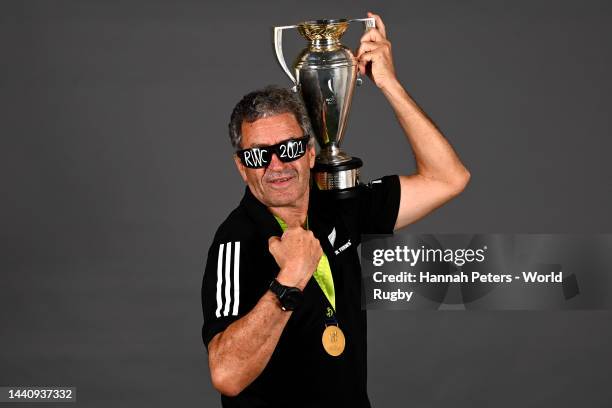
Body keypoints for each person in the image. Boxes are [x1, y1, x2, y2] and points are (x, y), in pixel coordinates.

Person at [201, 12, 470, 407]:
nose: (276, 166)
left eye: (289, 149)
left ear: (310, 153)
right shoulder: (235, 242)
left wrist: (388, 84)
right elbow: (226, 375)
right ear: (242, 168)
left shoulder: (338, 205)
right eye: (258, 155)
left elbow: (449, 178)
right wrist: (289, 280)